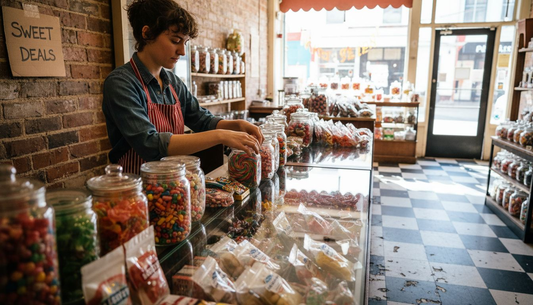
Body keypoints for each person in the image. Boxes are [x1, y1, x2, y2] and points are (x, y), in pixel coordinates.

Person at [102, 0, 263, 174]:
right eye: (175, 40)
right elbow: (149, 144)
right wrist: (221, 135)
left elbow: (202, 120)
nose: (182, 51)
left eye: (184, 43)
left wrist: (237, 124)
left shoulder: (173, 82)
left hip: (174, 184)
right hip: (136, 190)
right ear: (147, 34)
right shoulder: (121, 83)